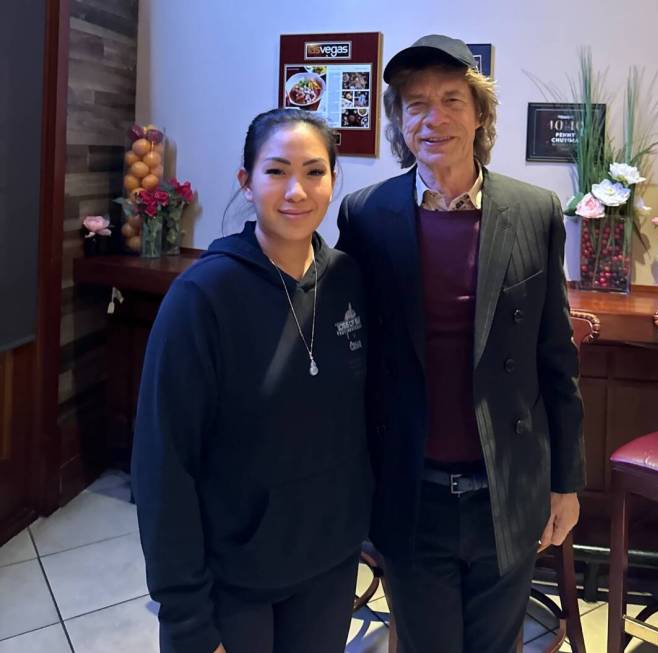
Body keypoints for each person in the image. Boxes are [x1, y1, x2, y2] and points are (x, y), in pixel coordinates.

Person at [336, 35, 585, 653]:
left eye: (452, 99)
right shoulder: (365, 215)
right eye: (415, 104)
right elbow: (352, 363)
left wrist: (566, 480)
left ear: (479, 114)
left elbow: (557, 358)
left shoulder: (534, 212)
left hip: (507, 487)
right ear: (397, 120)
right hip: (411, 491)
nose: (434, 117)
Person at [132, 108, 373, 653]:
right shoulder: (202, 299)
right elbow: (162, 464)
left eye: (315, 172)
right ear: (245, 181)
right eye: (276, 171)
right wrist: (187, 616)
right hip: (231, 579)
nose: (297, 191)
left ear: (334, 181)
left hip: (328, 566)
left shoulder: (349, 282)